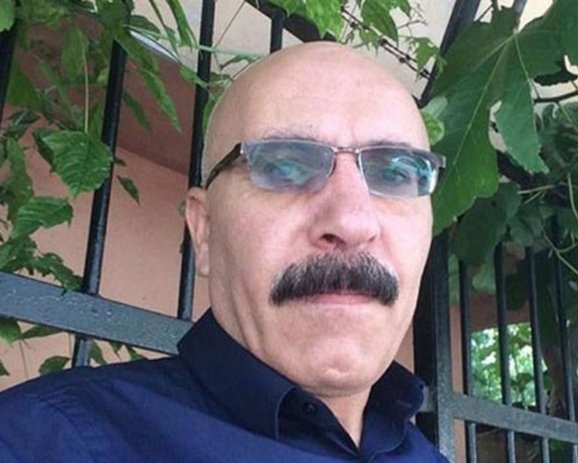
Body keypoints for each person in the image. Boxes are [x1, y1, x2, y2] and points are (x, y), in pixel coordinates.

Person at [0, 42, 448, 462]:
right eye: (285, 167)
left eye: (396, 173)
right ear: (205, 229)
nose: (351, 222)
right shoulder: (41, 442)